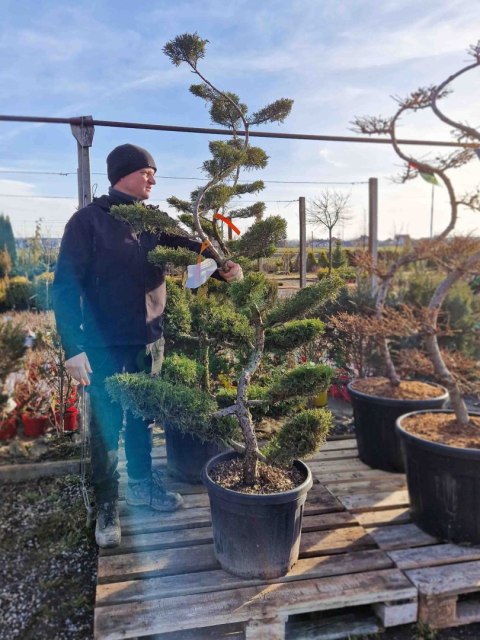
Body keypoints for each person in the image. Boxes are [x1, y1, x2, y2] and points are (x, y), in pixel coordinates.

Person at [52, 143, 242, 548]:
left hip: (149, 340)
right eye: (147, 172)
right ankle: (107, 503)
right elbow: (65, 287)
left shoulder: (154, 221)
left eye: (154, 172)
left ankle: (141, 486)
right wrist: (72, 347)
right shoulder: (88, 222)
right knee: (106, 424)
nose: (154, 178)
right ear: (123, 173)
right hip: (101, 345)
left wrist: (223, 265)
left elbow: (195, 246)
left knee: (141, 419)